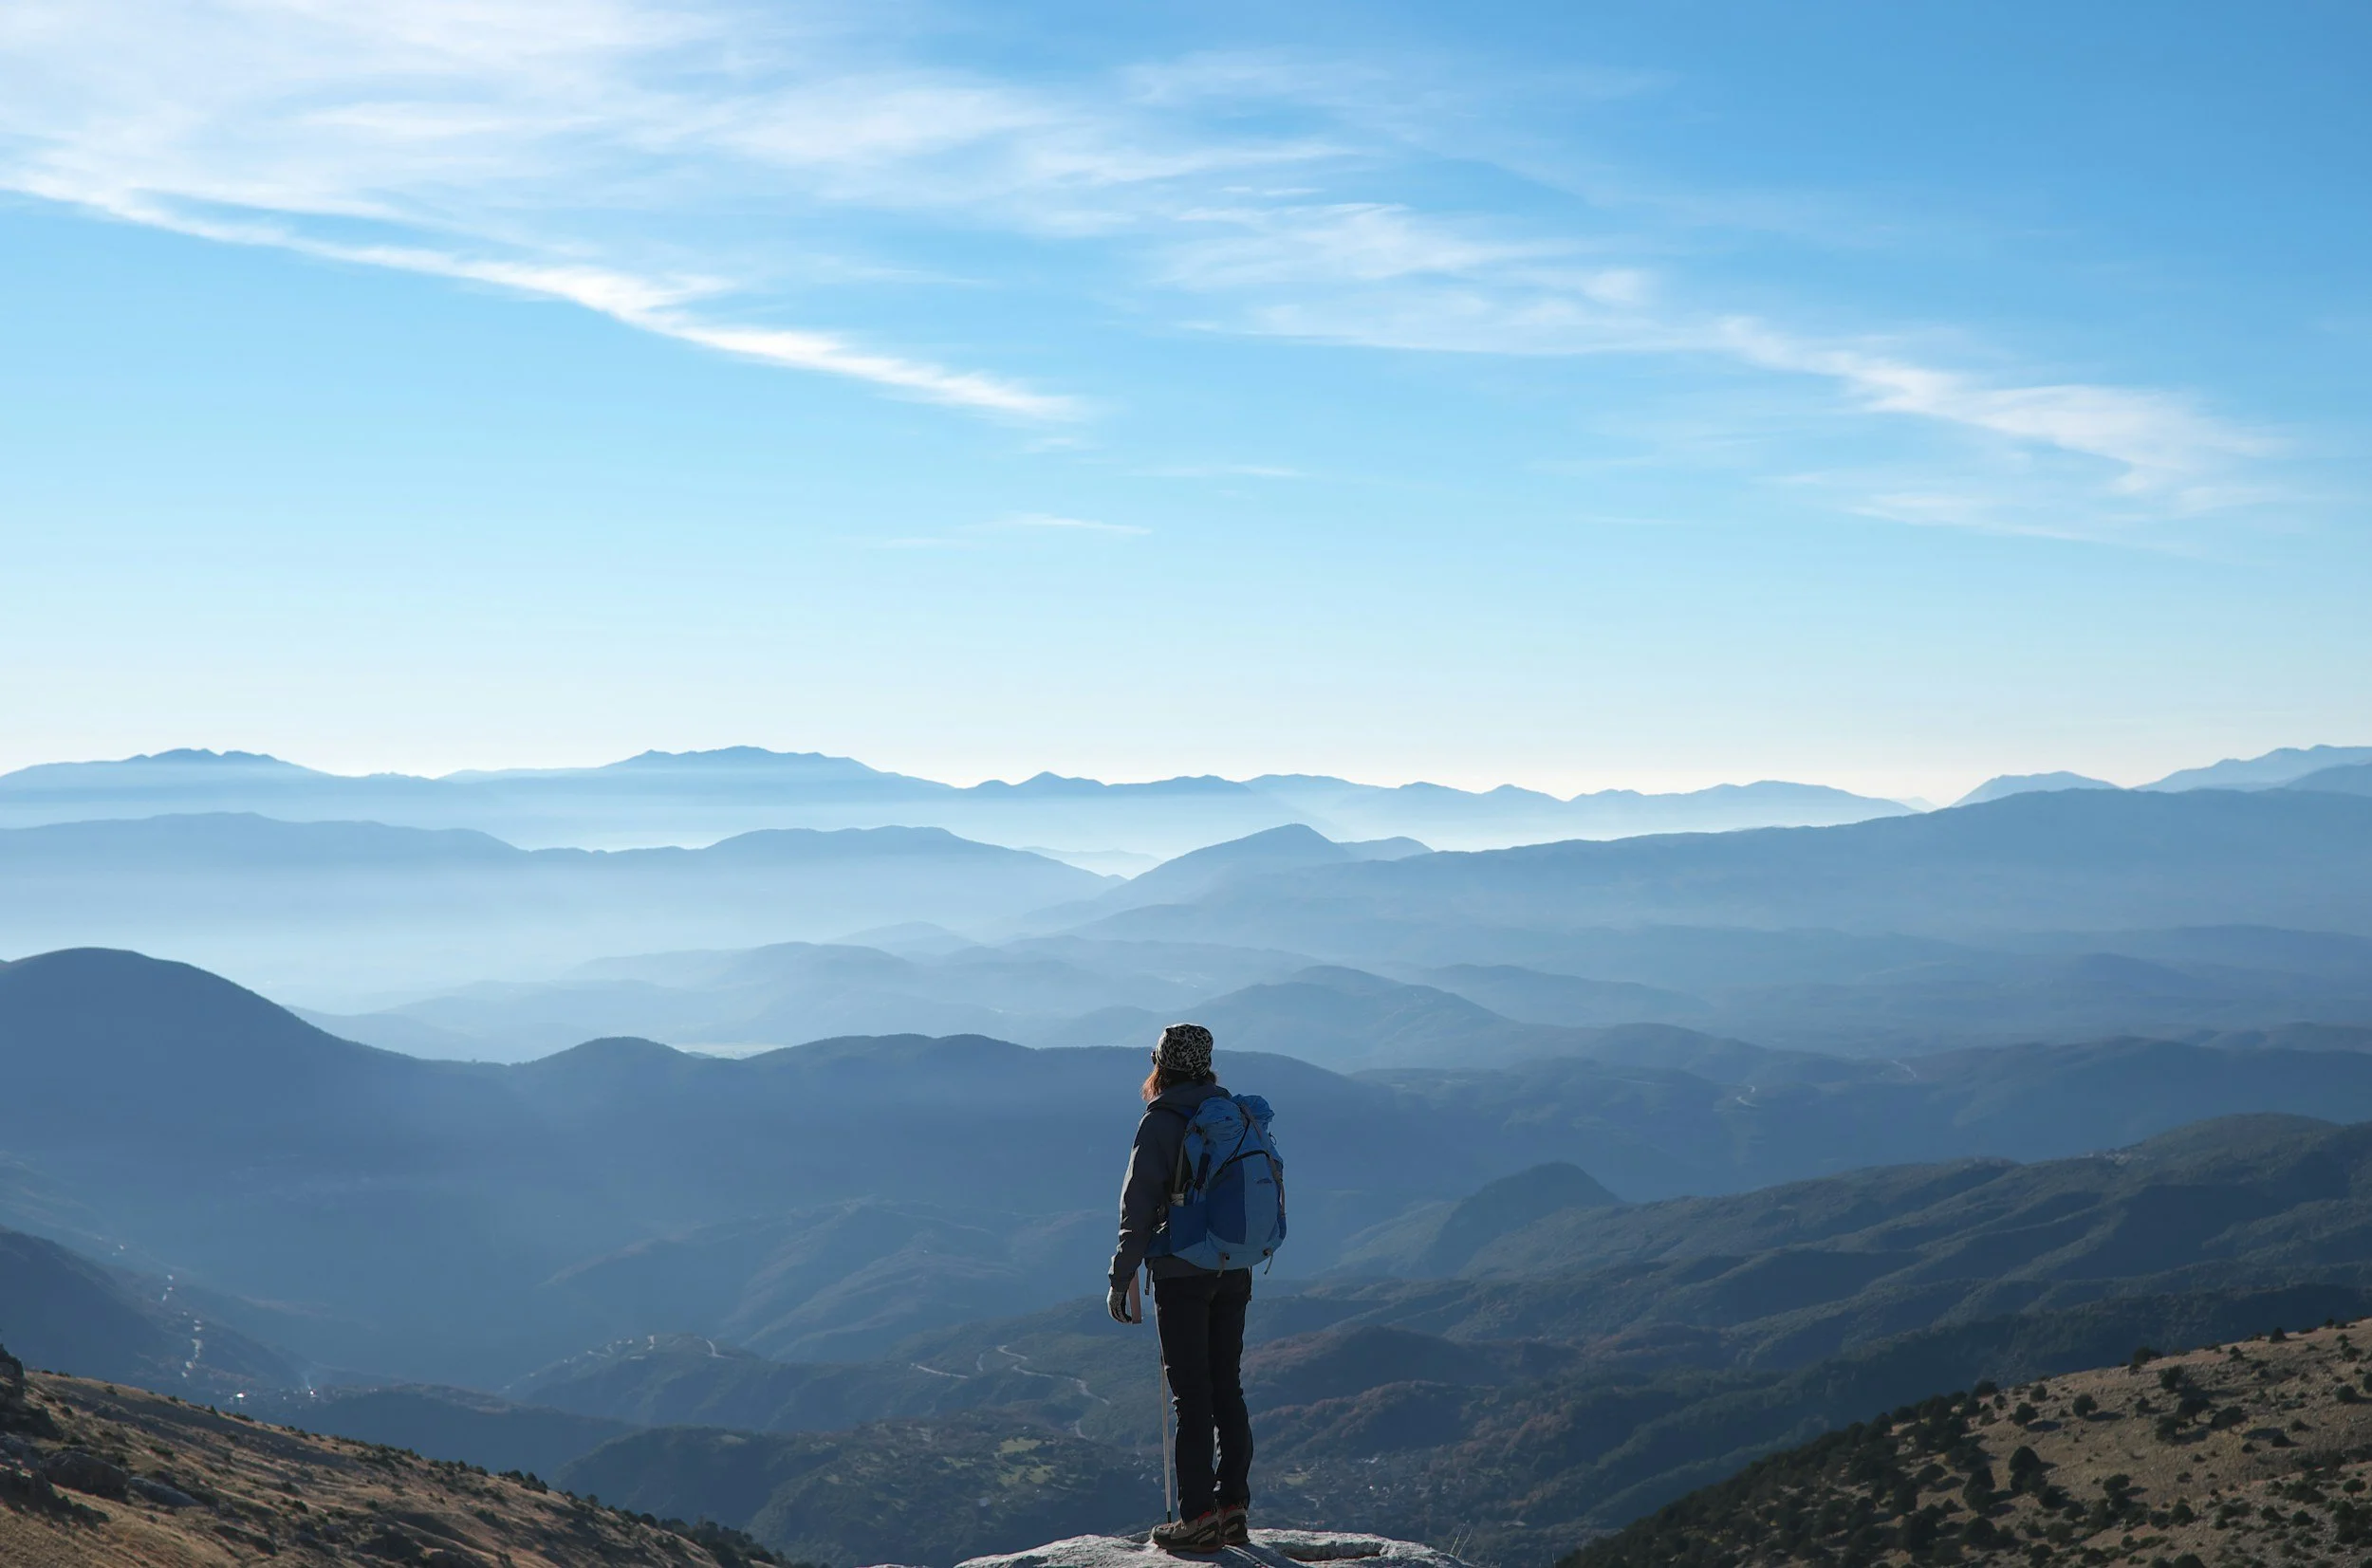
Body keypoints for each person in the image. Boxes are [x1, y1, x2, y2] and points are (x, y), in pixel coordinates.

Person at [1110, 1023, 1255, 1553]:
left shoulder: (1162, 1120)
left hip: (1180, 1275)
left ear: (1160, 1066)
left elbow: (1139, 1206)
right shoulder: (1232, 1114)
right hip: (1233, 1268)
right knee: (1227, 1388)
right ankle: (1233, 1508)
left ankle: (1196, 1517)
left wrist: (1121, 1275)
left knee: (1192, 1397)